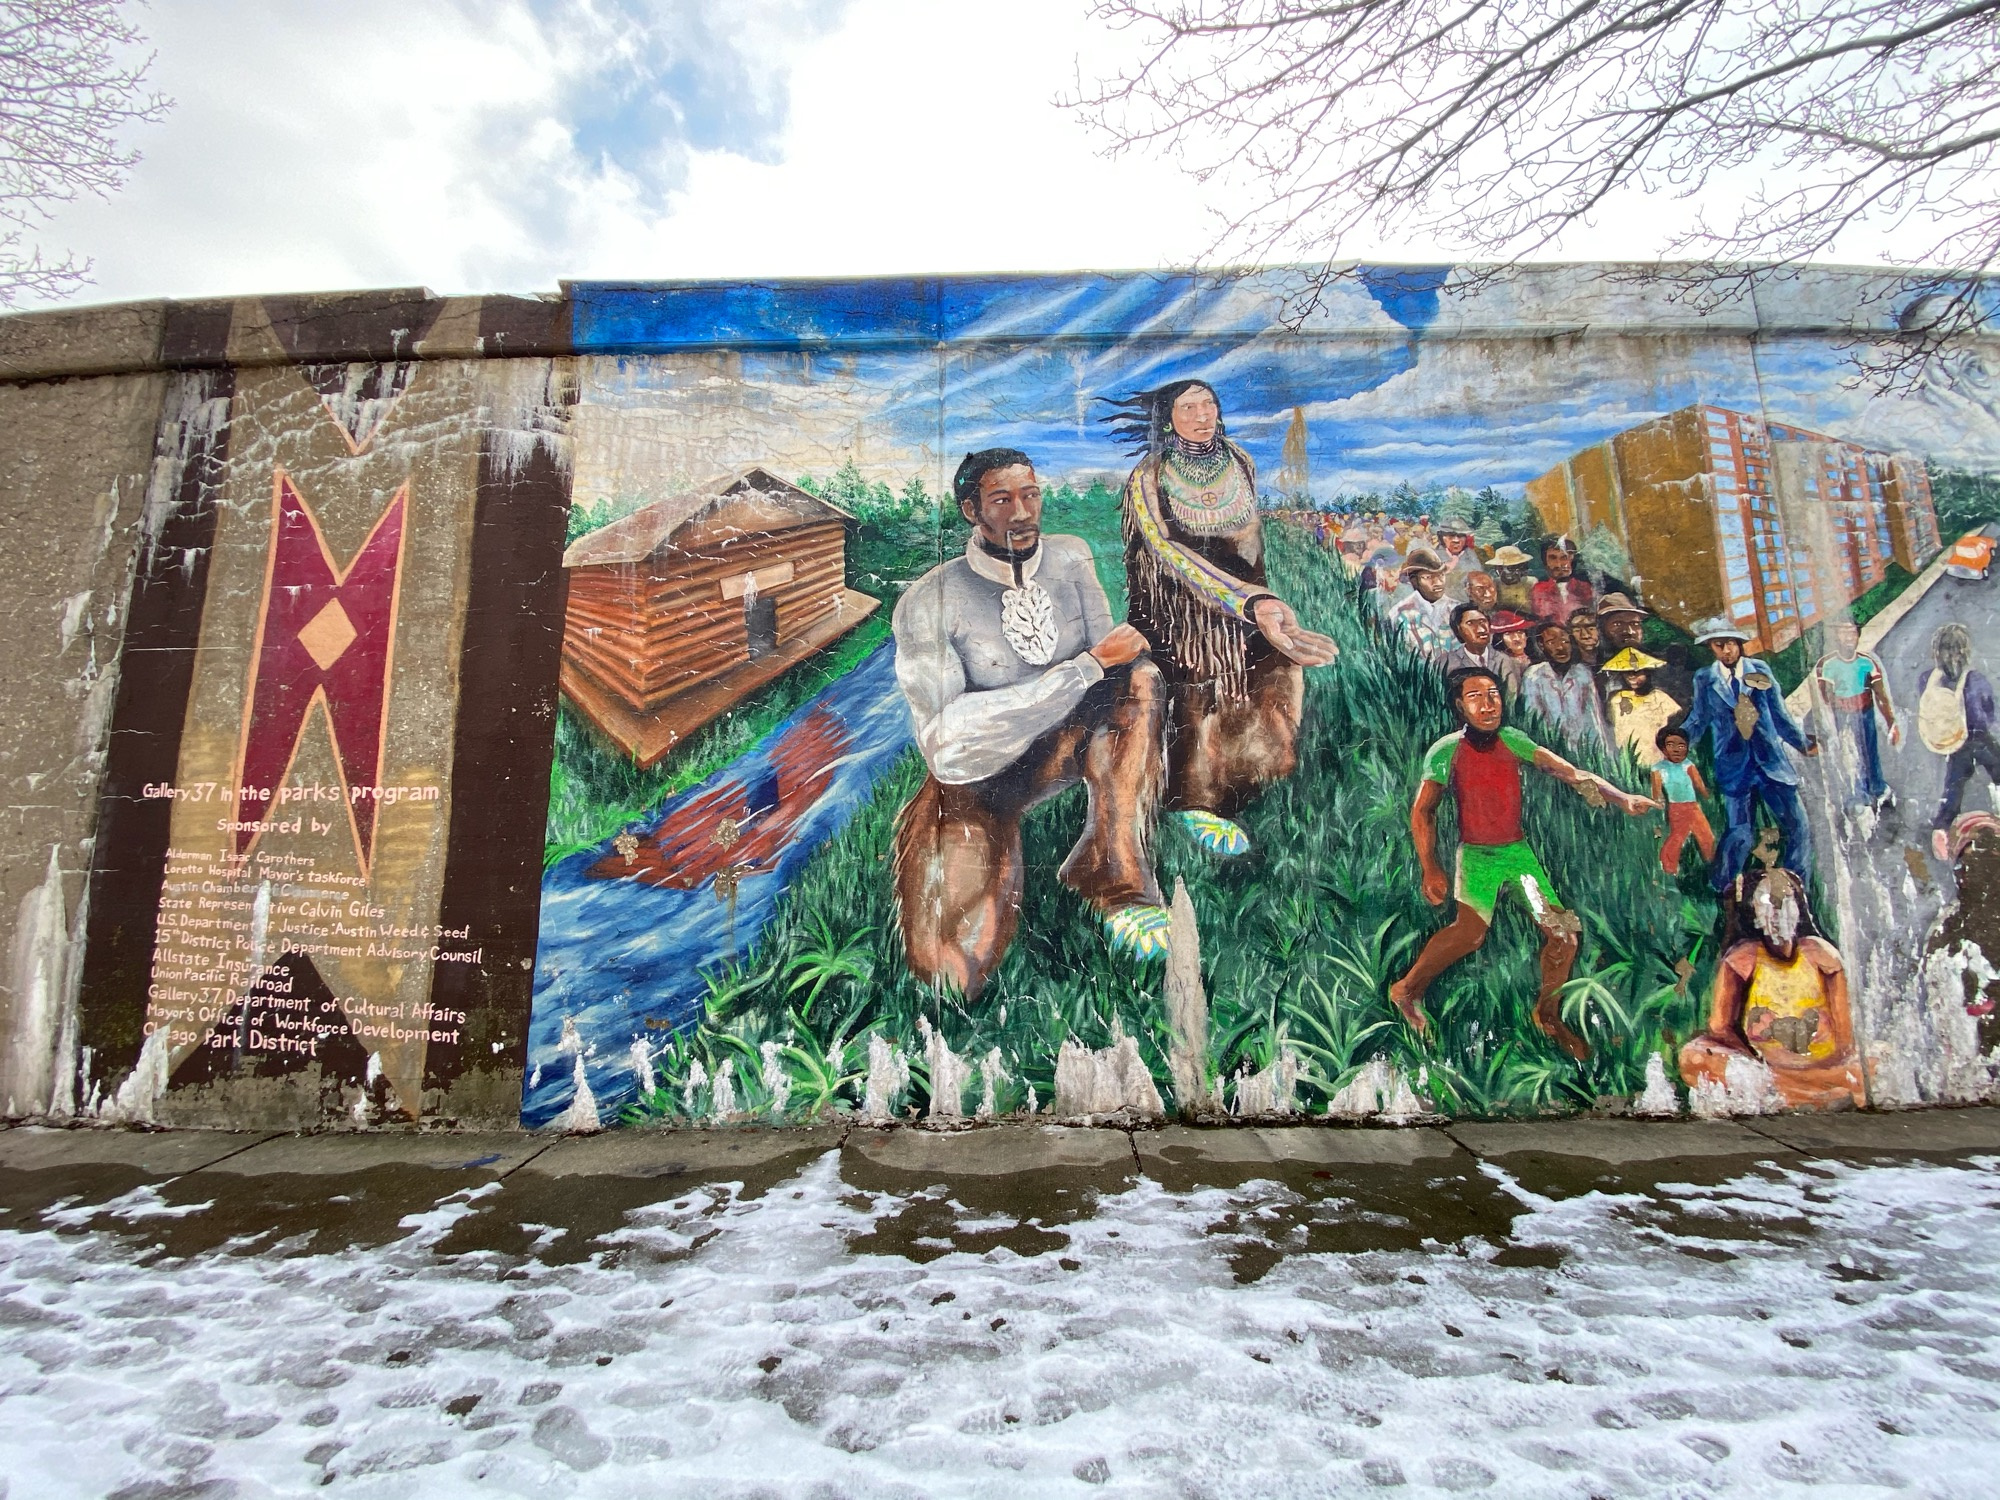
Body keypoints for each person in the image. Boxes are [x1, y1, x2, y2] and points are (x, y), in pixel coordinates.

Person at [891, 449, 1170, 1000]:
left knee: (1139, 681)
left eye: (1031, 495)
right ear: (972, 510)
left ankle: (1112, 869)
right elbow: (947, 746)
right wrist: (1081, 671)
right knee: (953, 976)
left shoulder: (1070, 559)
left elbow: (1112, 666)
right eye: (1002, 499)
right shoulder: (927, 601)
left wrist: (1100, 665)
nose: (1022, 513)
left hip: (1063, 746)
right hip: (975, 782)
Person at [1104, 380, 1339, 859]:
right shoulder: (1149, 475)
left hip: (1250, 607)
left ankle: (1254, 784)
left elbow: (1253, 540)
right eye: (1188, 406)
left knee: (1266, 684)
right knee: (1195, 697)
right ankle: (1194, 801)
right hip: (1181, 614)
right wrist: (1239, 600)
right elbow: (1165, 550)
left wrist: (1260, 602)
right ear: (1168, 417)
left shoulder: (1240, 461)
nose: (1201, 414)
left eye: (1209, 403)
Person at [1389, 668, 1657, 1060]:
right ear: (1460, 706)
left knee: (1563, 934)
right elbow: (1423, 811)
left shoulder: (1513, 740)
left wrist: (1622, 798)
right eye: (1476, 696)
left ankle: (1547, 1016)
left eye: (1493, 693)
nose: (1488, 703)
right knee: (1470, 936)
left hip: (1518, 855)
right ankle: (1407, 991)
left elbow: (1570, 773)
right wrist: (1430, 867)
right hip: (1478, 856)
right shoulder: (1446, 750)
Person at [1678, 867, 1864, 1110]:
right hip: (1763, 1070)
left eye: (1785, 904)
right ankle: (1815, 1095)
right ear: (1755, 916)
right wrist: (1756, 1061)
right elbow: (1720, 1027)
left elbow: (1845, 1037)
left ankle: (1788, 1094)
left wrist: (1829, 1064)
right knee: (1694, 1057)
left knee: (1879, 1062)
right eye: (1768, 906)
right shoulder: (1742, 960)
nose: (1778, 915)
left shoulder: (1822, 956)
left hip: (1824, 1067)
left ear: (1799, 910)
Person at [1681, 617, 1817, 892]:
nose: (1727, 650)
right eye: (1719, 645)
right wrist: (1677, 744)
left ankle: (1796, 886)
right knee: (1740, 833)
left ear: (1740, 644)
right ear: (1711, 648)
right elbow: (1698, 718)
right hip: (1734, 766)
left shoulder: (1759, 670)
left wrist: (1801, 742)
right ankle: (1722, 888)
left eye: (1731, 643)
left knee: (1798, 826)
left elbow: (1779, 714)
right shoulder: (1705, 679)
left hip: (1770, 763)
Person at [1915, 621, 2000, 862]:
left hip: (1954, 742)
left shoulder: (1926, 679)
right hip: (1978, 738)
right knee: (1998, 769)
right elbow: (1987, 714)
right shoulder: (1975, 680)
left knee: (1954, 785)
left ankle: (1942, 829)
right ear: (1965, 651)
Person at [1813, 618, 1899, 812]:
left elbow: (1880, 695)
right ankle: (1859, 796)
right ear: (1836, 636)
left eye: (1852, 633)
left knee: (1870, 751)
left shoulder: (1867, 663)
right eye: (1844, 633)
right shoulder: (1827, 665)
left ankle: (1878, 789)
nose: (1848, 637)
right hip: (1844, 716)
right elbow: (1825, 698)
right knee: (1851, 754)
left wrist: (1891, 723)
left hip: (1865, 712)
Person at [1522, 619, 1609, 753]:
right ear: (1541, 645)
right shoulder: (1534, 675)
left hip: (1582, 750)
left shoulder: (1582, 673)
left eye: (1565, 641)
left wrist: (1600, 753)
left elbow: (1593, 718)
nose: (1560, 647)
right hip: (1551, 751)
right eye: (1551, 642)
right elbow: (1532, 719)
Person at [1650, 724, 1715, 875]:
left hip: (1693, 807)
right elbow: (1656, 789)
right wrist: (1657, 801)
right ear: (1663, 749)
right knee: (1678, 836)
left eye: (1681, 745)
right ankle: (1668, 867)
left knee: (1705, 834)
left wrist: (1706, 794)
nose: (1677, 749)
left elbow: (1698, 782)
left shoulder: (1688, 764)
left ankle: (1712, 863)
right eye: (1671, 745)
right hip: (1676, 808)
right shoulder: (1658, 768)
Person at [1602, 647, 1681, 766]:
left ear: (1647, 672)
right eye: (1626, 673)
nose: (1631, 676)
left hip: (1654, 757)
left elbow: (1675, 719)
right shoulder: (1616, 699)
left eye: (1636, 672)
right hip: (1625, 759)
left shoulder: (1660, 698)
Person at [1386, 545, 1456, 659]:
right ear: (1414, 581)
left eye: (1441, 575)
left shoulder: (1456, 609)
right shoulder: (1399, 614)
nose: (1437, 582)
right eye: (1428, 577)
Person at [1531, 536, 1594, 624]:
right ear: (1545, 562)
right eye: (1553, 558)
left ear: (1572, 560)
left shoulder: (1584, 587)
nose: (1558, 564)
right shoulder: (1539, 589)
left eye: (1564, 558)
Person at [1439, 603, 1503, 678]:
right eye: (1470, 623)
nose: (1481, 630)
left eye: (1483, 622)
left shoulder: (1504, 661)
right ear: (1458, 629)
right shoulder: (1445, 664)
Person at [1489, 609, 1533, 700]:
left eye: (1520, 632)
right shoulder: (1500, 663)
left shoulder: (1535, 659)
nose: (1516, 638)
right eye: (1508, 634)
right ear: (1500, 639)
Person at [1487, 544, 1537, 615]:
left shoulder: (1531, 583)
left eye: (1512, 567)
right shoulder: (1495, 583)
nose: (1507, 572)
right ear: (1496, 569)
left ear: (1521, 567)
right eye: (1501, 568)